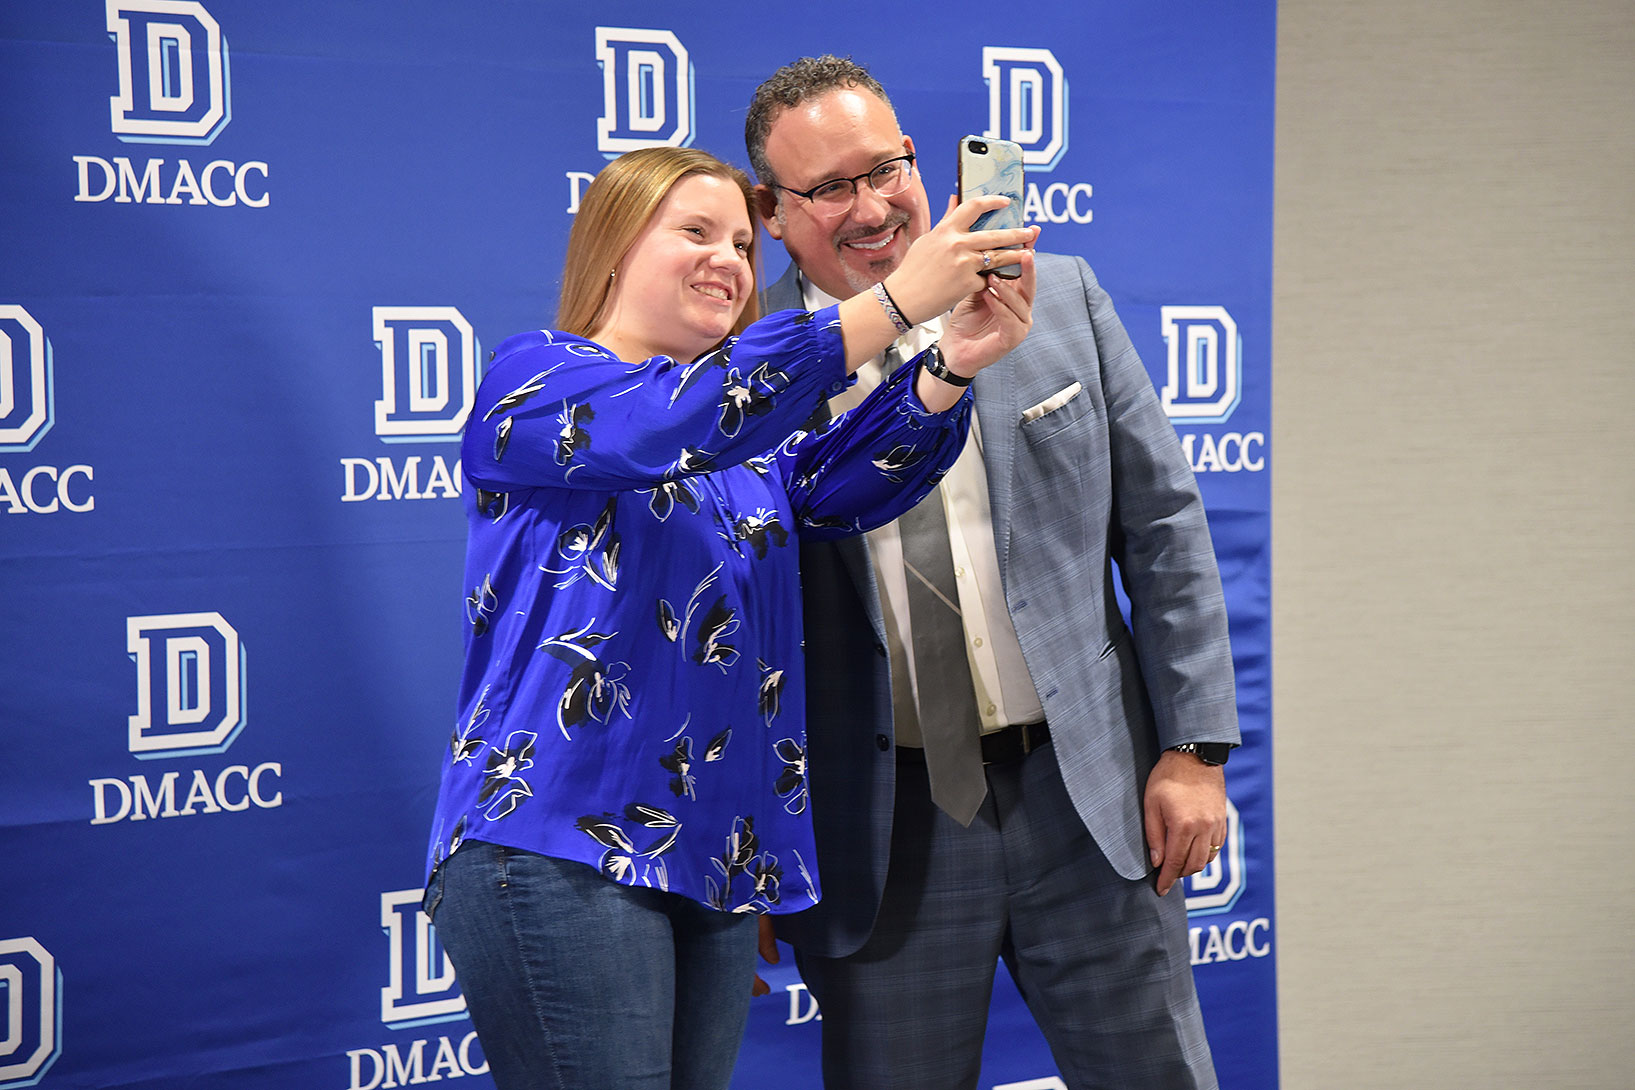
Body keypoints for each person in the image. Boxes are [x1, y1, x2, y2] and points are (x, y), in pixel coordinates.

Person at [419, 144, 1035, 1090]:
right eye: (696, 232)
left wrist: (947, 363)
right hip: (557, 851)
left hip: (707, 868)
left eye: (744, 244)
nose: (731, 261)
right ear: (613, 250)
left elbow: (839, 481)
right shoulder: (534, 379)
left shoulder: (743, 450)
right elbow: (656, 428)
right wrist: (894, 303)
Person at [745, 56, 1241, 1089]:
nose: (874, 206)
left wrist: (1195, 748)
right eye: (831, 187)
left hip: (1092, 798)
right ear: (772, 213)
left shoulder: (1055, 297)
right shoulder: (750, 370)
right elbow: (718, 646)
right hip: (883, 834)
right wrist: (745, 851)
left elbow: (1163, 526)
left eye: (888, 167)